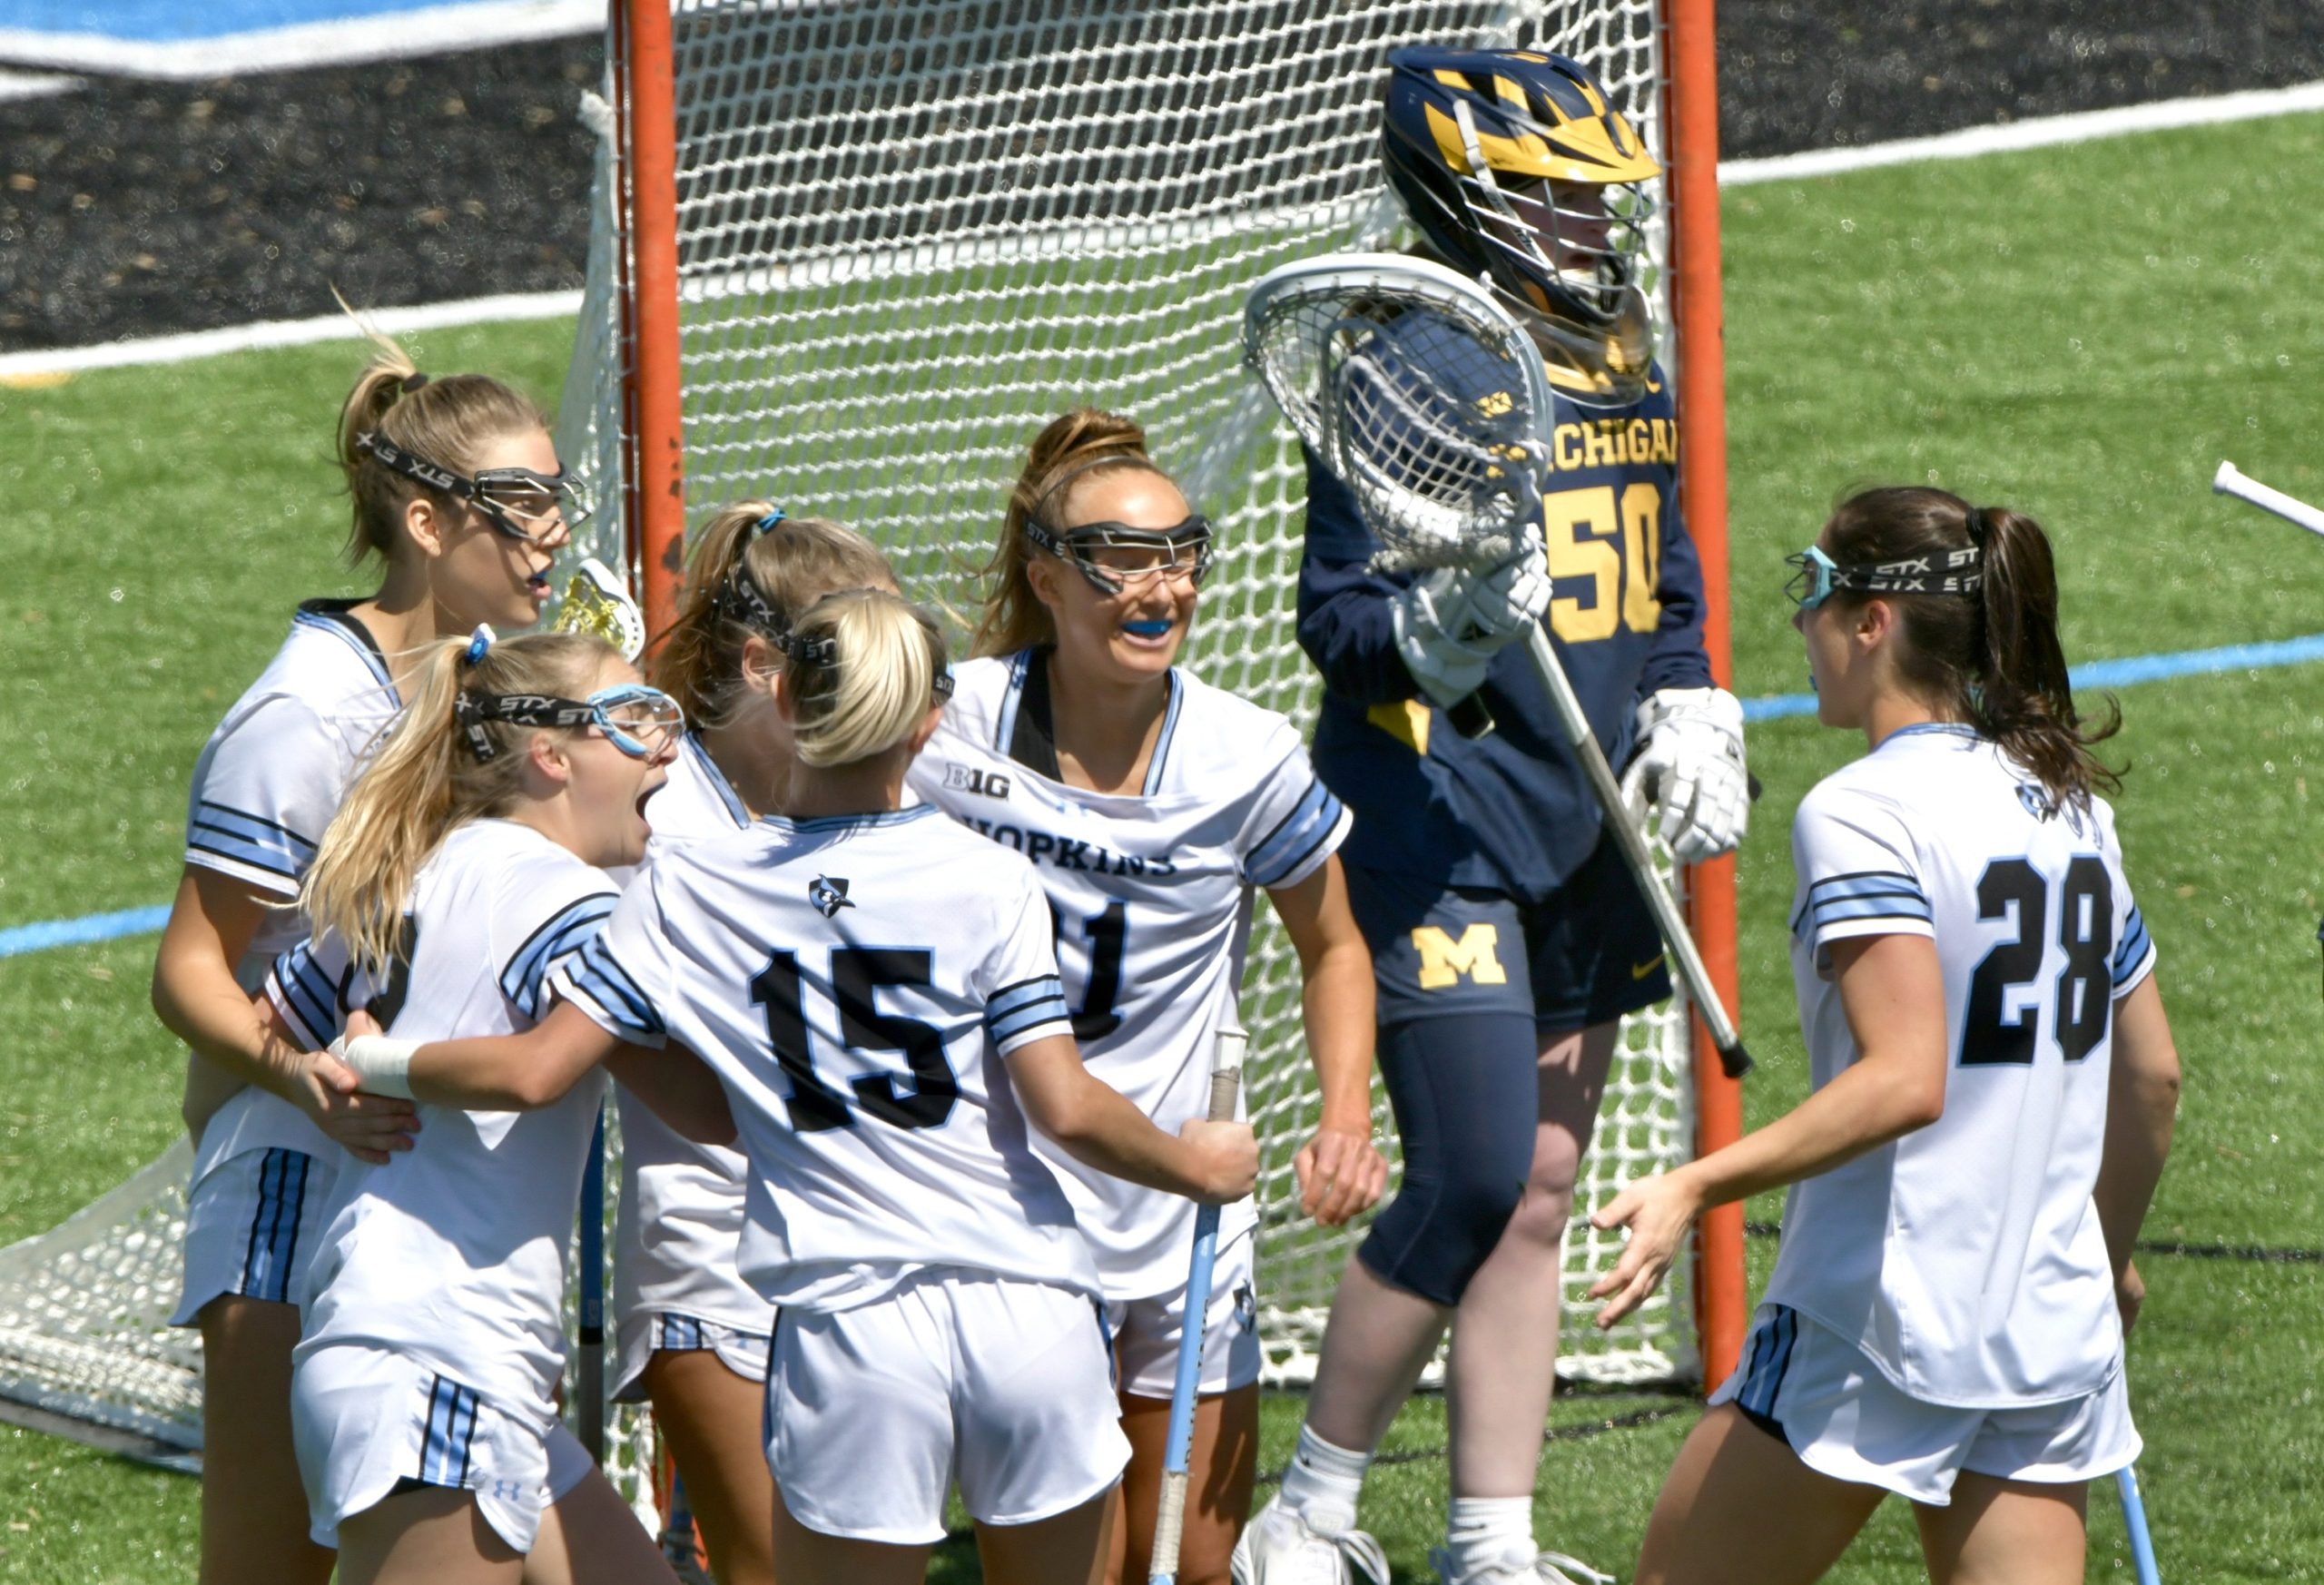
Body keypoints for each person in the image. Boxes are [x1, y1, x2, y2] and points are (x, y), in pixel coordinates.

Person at [336, 588, 1262, 1585]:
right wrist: (1195, 1165)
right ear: (929, 720)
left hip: (852, 1327)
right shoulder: (991, 878)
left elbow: (543, 1067)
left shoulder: (690, 885)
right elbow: (1067, 1109)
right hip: (1030, 1312)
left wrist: (371, 1060)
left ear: (783, 699)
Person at [1236, 49, 1748, 1585]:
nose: (1593, 217)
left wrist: (1687, 698)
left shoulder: (1616, 340)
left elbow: (1660, 569)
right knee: (1469, 1170)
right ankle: (1308, 1510)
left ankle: (1491, 1543)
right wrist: (1434, 635)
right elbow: (1337, 621)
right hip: (1437, 814)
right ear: (1474, 196)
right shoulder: (1400, 360)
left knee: (1538, 1189)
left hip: (1585, 819)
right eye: (1558, 190)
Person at [1587, 488, 2181, 1585]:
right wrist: (2097, 1260)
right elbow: (2152, 1077)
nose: (1797, 620)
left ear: (1873, 621)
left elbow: (1906, 1078)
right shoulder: (2074, 811)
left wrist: (1692, 1185)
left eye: (1810, 589)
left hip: (1876, 1320)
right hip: (2044, 1329)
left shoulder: (1861, 812)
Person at [911, 409, 1386, 1585]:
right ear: (1046, 579)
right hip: (1013, 1205)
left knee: (1198, 1564)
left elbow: (1334, 946)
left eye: (1180, 555)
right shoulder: (948, 724)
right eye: (1120, 559)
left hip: (1183, 1206)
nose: (1159, 586)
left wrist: (1344, 1115)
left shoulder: (1245, 756)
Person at [149, 337, 583, 1585]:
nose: (554, 532)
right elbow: (188, 973)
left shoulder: (490, 678)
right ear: (427, 522)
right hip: (293, 1175)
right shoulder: (307, 716)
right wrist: (302, 1081)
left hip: (425, 1193)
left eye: (557, 496)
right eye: (522, 504)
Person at [260, 626, 709, 1585]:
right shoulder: (566, 900)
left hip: (434, 1349)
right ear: (550, 755)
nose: (664, 748)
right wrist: (370, 1066)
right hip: (439, 1353)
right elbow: (541, 1073)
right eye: (631, 720)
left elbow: (270, 1021)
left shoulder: (413, 868)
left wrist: (326, 1080)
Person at [617, 500, 897, 1585]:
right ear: (761, 666)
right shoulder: (655, 820)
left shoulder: (866, 795)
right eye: (852, 664)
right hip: (714, 1266)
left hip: (856, 1265)